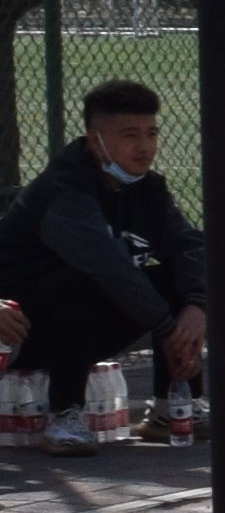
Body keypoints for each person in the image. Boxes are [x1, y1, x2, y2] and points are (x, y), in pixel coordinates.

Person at [0, 80, 207, 449]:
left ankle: (173, 406)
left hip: (86, 323)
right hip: (18, 329)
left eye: (151, 134)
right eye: (130, 135)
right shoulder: (64, 190)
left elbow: (189, 246)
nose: (144, 147)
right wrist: (166, 329)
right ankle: (64, 416)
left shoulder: (148, 188)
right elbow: (109, 266)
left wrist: (197, 306)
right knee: (83, 282)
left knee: (177, 280)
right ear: (95, 141)